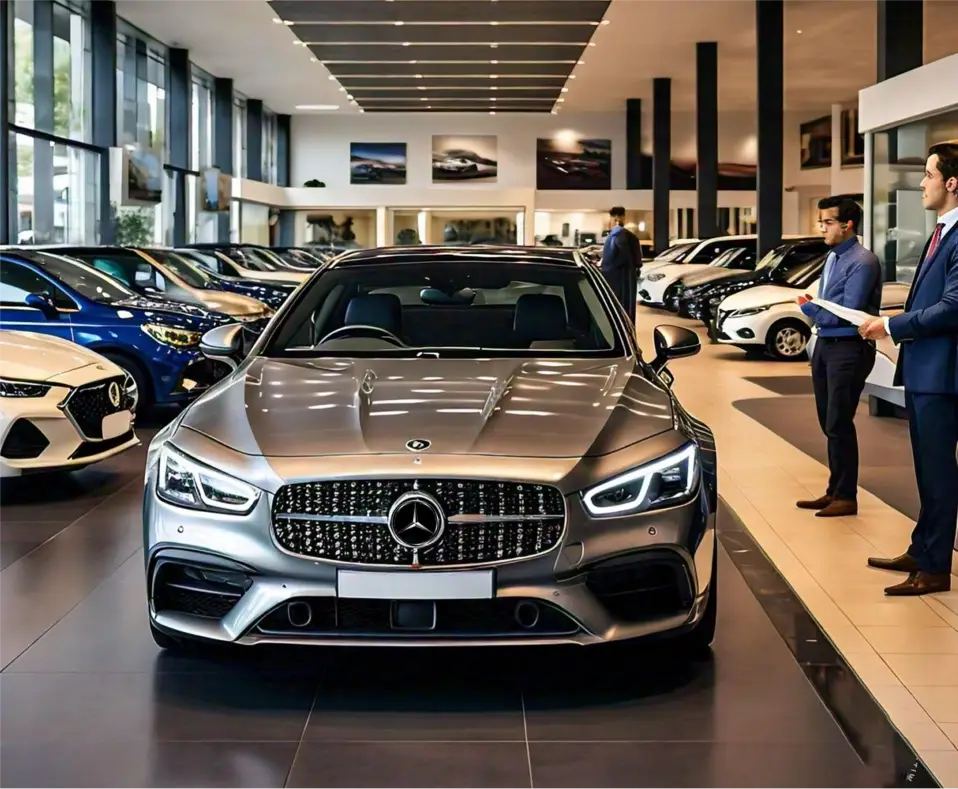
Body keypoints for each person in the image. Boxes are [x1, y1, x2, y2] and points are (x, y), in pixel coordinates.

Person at [860, 141, 958, 596]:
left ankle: (935, 567)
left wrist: (892, 325)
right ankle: (922, 549)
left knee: (939, 473)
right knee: (927, 469)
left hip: (944, 375)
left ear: (951, 183)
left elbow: (953, 307)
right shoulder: (942, 231)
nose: (921, 182)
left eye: (929, 174)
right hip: (927, 372)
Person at [795, 197, 882, 518]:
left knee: (838, 422)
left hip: (848, 348)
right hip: (826, 346)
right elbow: (829, 304)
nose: (823, 228)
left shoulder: (864, 261)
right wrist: (817, 310)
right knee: (827, 422)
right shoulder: (832, 257)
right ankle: (834, 490)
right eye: (822, 222)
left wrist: (809, 309)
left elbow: (849, 313)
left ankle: (846, 496)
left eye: (828, 222)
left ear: (848, 225)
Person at [601, 206, 642, 324]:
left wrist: (607, 268)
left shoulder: (618, 234)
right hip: (625, 277)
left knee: (617, 308)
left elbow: (623, 254)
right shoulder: (627, 235)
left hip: (617, 277)